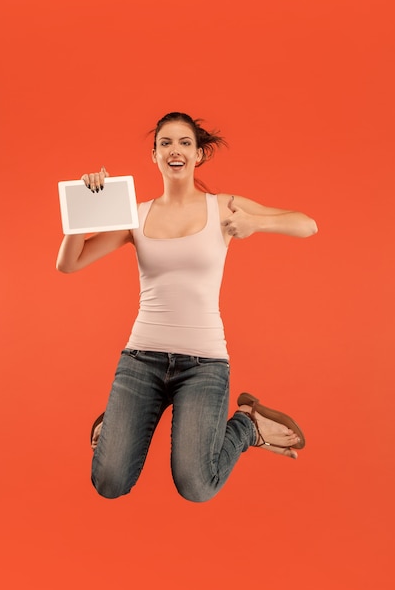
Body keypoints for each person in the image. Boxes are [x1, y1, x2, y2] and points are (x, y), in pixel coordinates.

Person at [56, 112, 318, 503]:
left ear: (198, 155)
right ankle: (119, 421)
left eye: (184, 143)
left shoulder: (224, 206)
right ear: (154, 155)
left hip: (204, 365)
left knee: (196, 485)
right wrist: (82, 210)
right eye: (165, 143)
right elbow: (69, 263)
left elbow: (307, 224)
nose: (174, 150)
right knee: (109, 482)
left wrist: (254, 224)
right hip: (142, 360)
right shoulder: (136, 215)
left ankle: (247, 424)